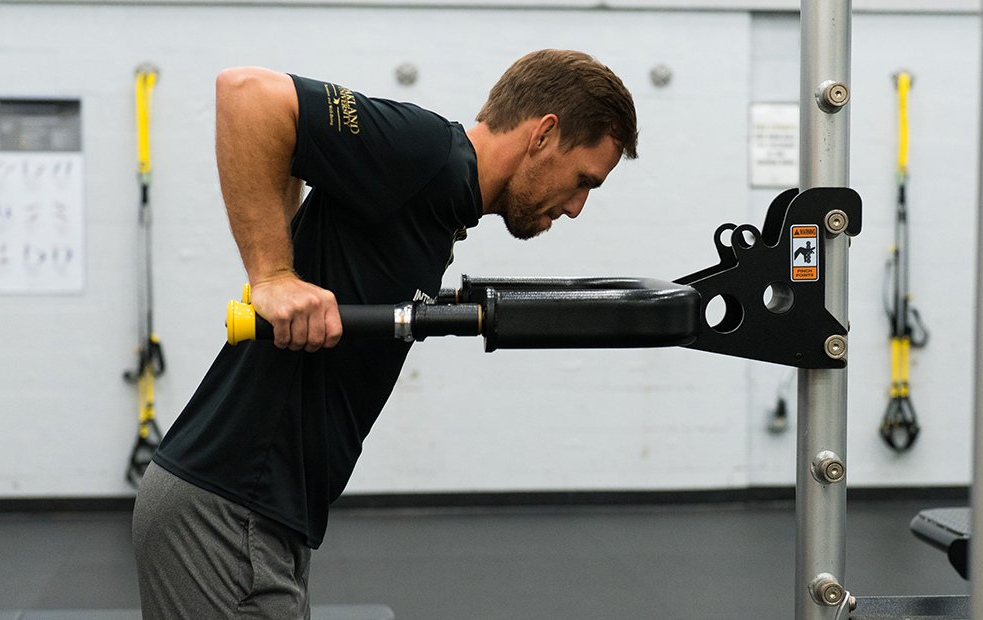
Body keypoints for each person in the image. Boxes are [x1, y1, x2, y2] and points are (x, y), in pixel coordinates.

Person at [132, 49, 639, 618]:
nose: (576, 208)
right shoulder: (427, 154)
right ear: (544, 134)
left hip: (257, 514)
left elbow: (294, 155)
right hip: (228, 513)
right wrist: (273, 274)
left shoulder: (442, 202)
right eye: (582, 181)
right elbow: (248, 94)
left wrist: (292, 266)